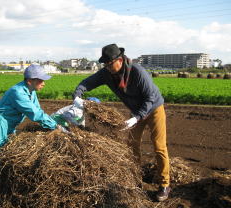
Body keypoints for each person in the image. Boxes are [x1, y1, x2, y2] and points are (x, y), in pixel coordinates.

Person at [73, 44, 171, 202]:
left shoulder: (137, 72)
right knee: (132, 145)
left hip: (154, 109)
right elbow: (86, 83)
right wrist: (78, 95)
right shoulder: (106, 74)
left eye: (109, 63)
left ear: (119, 59)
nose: (107, 67)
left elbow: (150, 98)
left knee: (159, 146)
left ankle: (164, 184)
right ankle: (136, 179)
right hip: (136, 111)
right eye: (105, 64)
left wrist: (137, 117)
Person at [0, 64, 65, 208]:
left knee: (4, 160)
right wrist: (56, 126)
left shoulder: (32, 92)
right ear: (30, 81)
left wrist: (54, 123)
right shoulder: (17, 92)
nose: (44, 83)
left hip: (9, 127)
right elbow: (35, 114)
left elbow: (39, 110)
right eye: (40, 80)